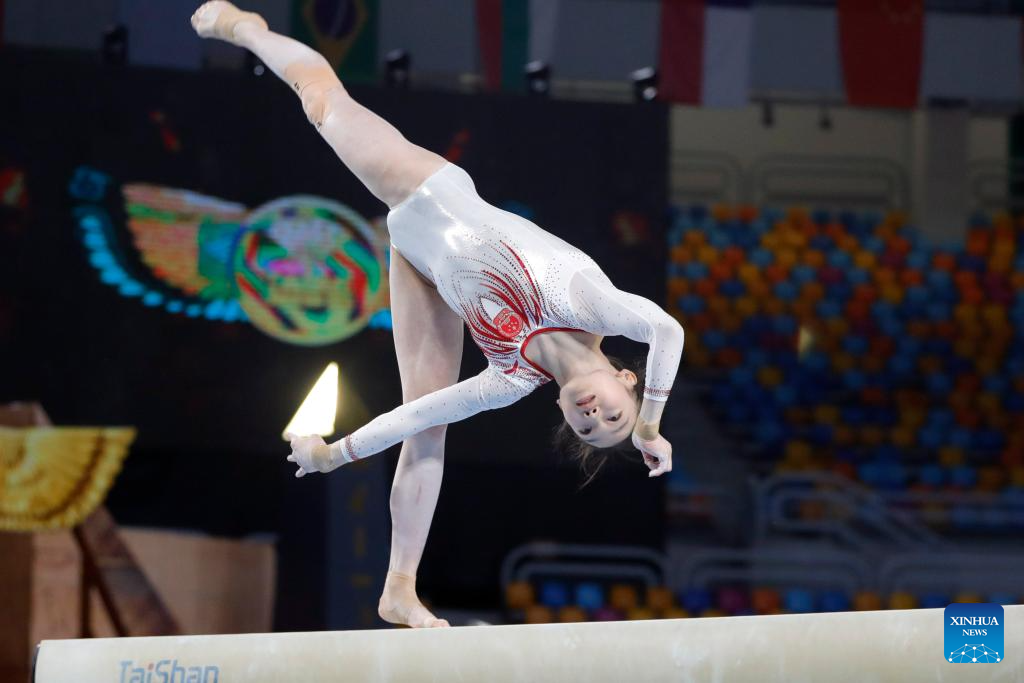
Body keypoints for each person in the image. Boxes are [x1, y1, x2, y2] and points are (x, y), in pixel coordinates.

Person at [191, 1, 684, 629]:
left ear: (563, 413)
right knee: (320, 99)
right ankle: (248, 29)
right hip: (426, 191)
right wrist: (648, 427)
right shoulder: (593, 306)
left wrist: (334, 455)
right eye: (614, 414)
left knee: (427, 429)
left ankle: (399, 587)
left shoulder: (509, 379)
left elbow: (416, 416)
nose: (595, 416)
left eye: (589, 429)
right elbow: (666, 329)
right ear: (626, 378)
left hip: (419, 269)